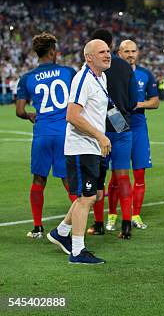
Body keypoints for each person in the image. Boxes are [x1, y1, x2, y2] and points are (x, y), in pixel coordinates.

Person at [47, 39, 112, 264]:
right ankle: (77, 251)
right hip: (81, 147)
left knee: (90, 195)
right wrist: (100, 136)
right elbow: (72, 116)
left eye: (108, 51)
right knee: (86, 198)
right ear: (89, 57)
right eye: (101, 52)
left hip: (92, 146)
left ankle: (61, 232)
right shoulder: (83, 79)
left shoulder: (100, 77)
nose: (107, 54)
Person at [16, 32, 76, 238]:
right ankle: (79, 223)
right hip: (63, 133)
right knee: (68, 180)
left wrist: (30, 115)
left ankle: (37, 227)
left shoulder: (27, 78)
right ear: (52, 52)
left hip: (42, 134)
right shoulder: (68, 72)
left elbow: (19, 111)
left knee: (38, 179)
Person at [87, 28, 137, 239]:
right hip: (121, 123)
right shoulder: (125, 67)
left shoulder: (92, 67)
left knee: (98, 177)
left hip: (100, 126)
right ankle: (126, 225)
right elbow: (134, 101)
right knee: (123, 176)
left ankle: (98, 224)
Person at [116, 39, 160, 229]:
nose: (131, 54)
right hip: (118, 124)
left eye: (133, 51)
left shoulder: (145, 74)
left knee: (139, 173)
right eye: (127, 51)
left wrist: (138, 104)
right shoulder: (111, 73)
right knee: (117, 173)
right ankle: (111, 215)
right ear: (119, 53)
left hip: (139, 125)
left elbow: (156, 102)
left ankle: (135, 215)